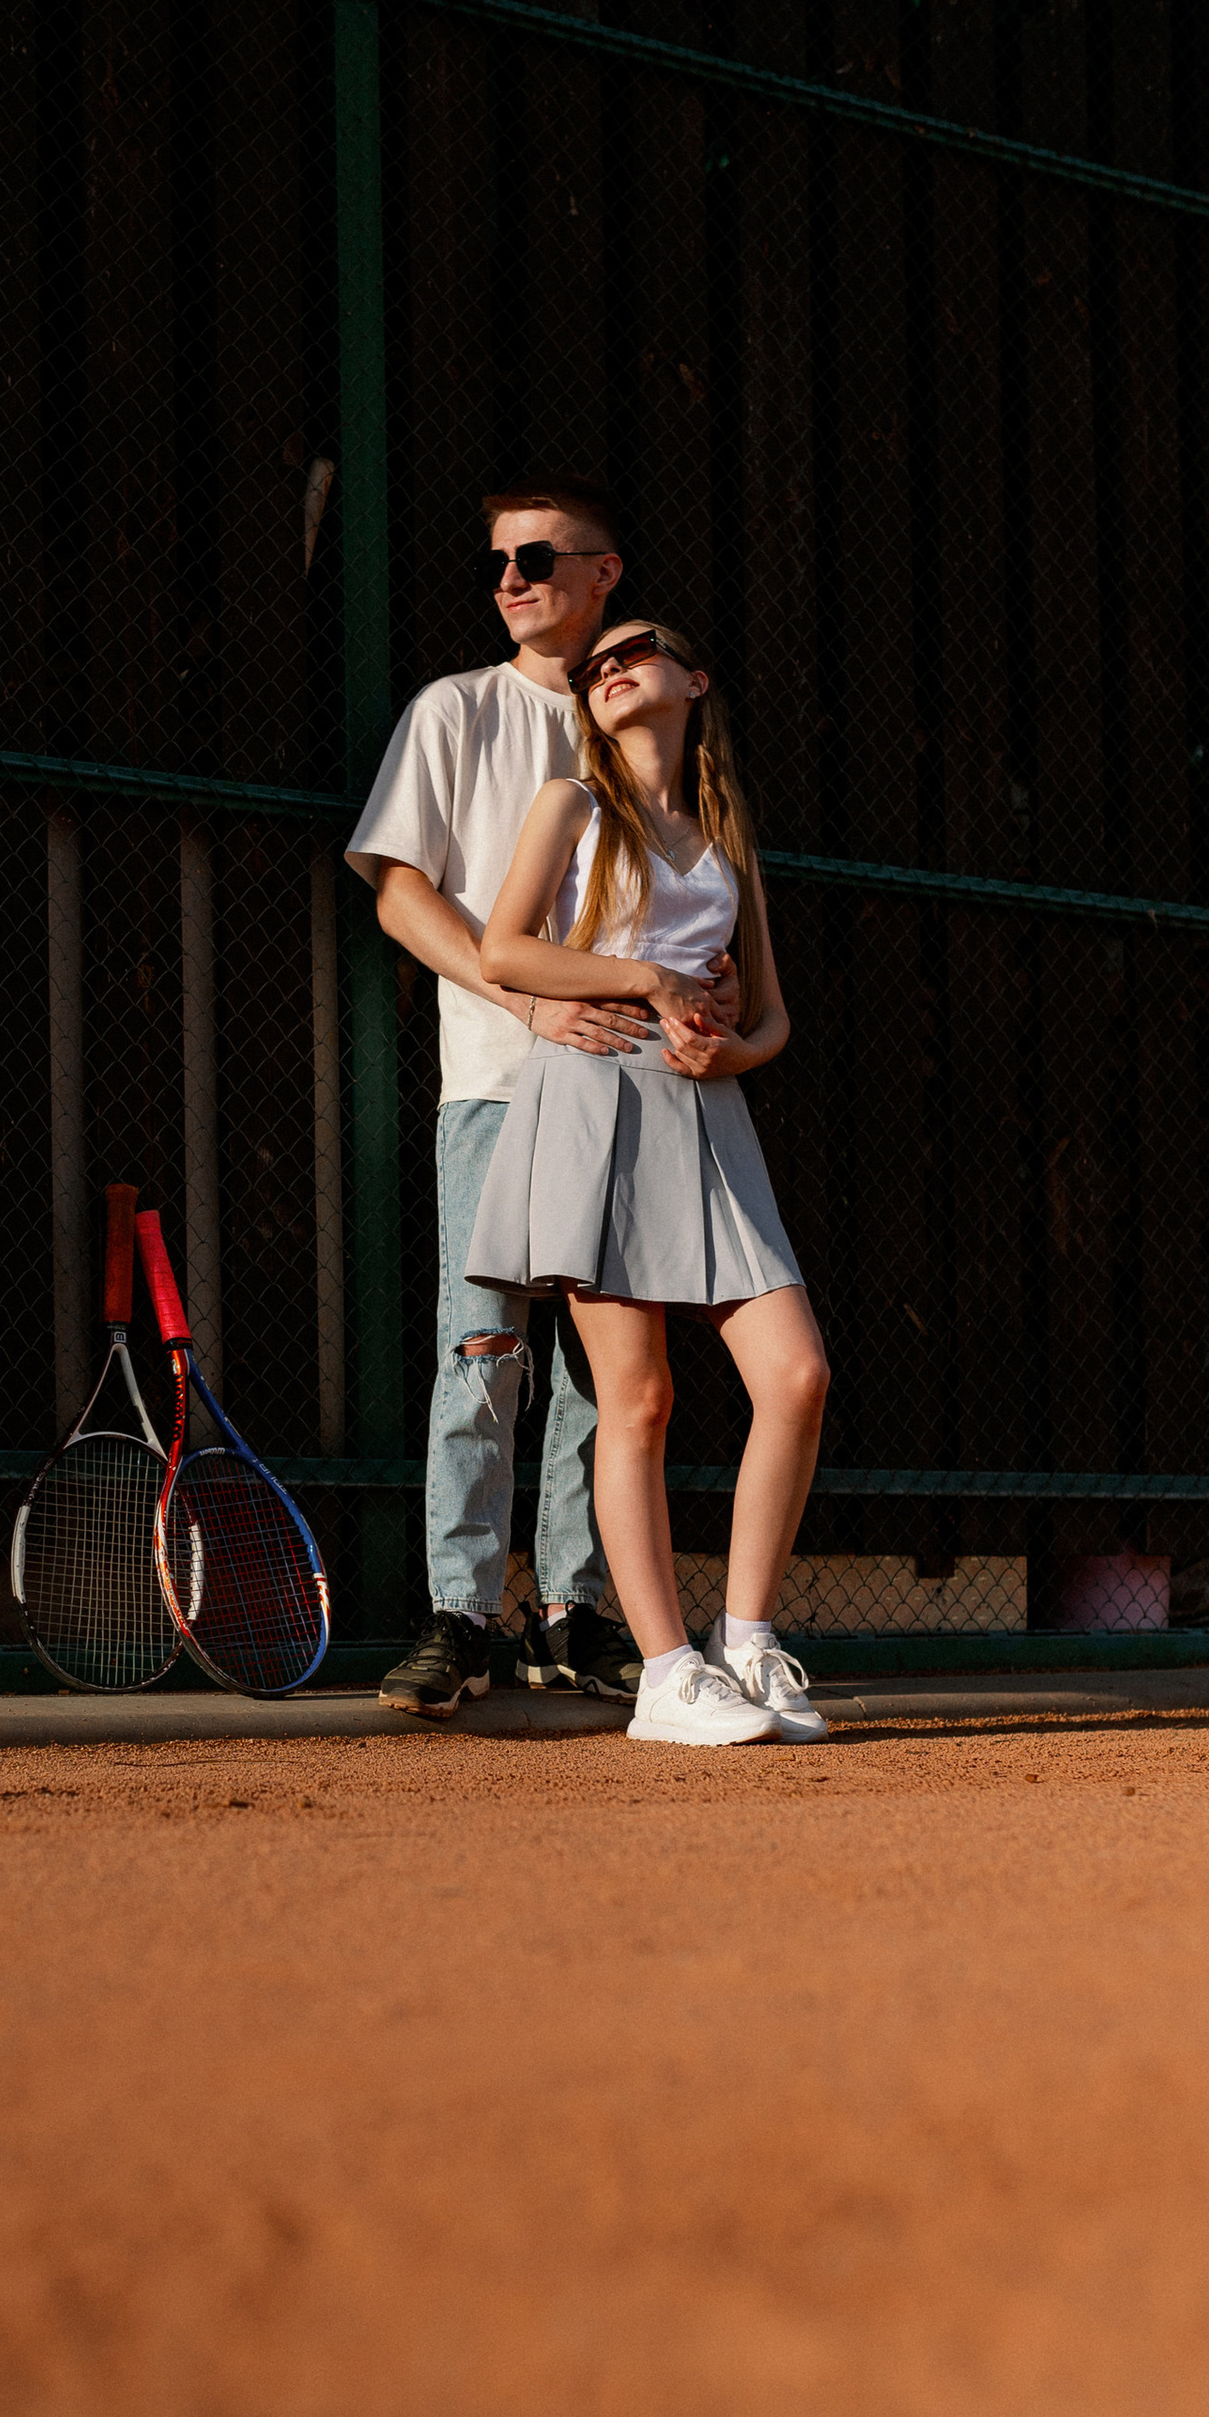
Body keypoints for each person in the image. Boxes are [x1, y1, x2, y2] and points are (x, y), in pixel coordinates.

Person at [343, 480, 740, 1719]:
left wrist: (708, 997)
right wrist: (527, 1005)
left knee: (602, 1373)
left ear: (603, 571)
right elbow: (400, 895)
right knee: (483, 1346)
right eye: (497, 562)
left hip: (627, 1095)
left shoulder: (634, 724)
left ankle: (573, 1611)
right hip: (498, 1081)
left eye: (534, 556)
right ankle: (461, 1613)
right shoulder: (455, 709)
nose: (508, 578)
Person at [468, 614, 832, 1747]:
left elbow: (769, 1015)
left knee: (798, 1374)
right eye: (596, 667)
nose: (612, 668)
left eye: (636, 650)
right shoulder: (571, 803)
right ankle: (667, 1676)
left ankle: (747, 1641)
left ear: (693, 679)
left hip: (706, 1111)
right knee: (637, 1399)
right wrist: (648, 979)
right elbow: (501, 949)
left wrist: (733, 1048)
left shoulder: (727, 833)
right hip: (593, 1099)